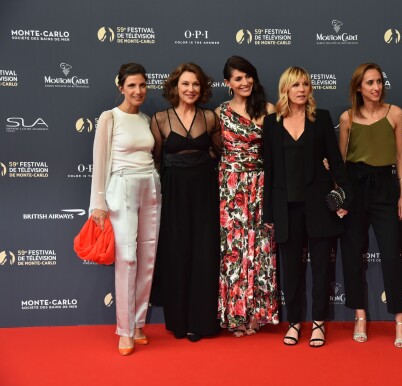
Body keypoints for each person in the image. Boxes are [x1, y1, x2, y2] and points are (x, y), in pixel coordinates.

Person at [262, 66, 352, 348]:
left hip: (319, 206)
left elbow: (336, 161)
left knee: (322, 269)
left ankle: (319, 323)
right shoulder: (271, 123)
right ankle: (294, 322)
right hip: (286, 208)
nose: (301, 89)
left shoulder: (321, 118)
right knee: (291, 271)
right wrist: (269, 212)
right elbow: (270, 171)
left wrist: (345, 196)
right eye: (295, 85)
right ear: (285, 89)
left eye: (305, 84)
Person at [89, 63, 161, 356]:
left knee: (147, 257)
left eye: (142, 85)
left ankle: (139, 323)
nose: (138, 91)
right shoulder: (110, 118)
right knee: (127, 258)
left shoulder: (145, 120)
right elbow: (100, 160)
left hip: (150, 187)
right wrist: (98, 203)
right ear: (121, 87)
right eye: (131, 85)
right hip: (121, 189)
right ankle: (124, 329)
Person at [337, 63, 402, 347]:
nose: (376, 87)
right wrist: (341, 197)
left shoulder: (395, 113)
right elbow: (341, 163)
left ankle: (400, 320)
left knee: (391, 255)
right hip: (355, 190)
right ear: (358, 87)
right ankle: (359, 315)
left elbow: (401, 156)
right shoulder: (347, 119)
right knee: (353, 255)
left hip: (385, 188)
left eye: (379, 81)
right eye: (369, 83)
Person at [150, 63, 222, 342]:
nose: (191, 89)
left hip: (204, 192)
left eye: (195, 84)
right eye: (185, 84)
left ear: (202, 88)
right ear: (175, 87)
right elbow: (157, 160)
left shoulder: (210, 118)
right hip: (174, 193)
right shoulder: (160, 119)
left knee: (203, 254)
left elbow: (220, 152)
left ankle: (200, 322)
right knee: (177, 253)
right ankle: (178, 322)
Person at [215, 56, 278, 337]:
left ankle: (256, 313)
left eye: (248, 76)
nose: (245, 82)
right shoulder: (220, 113)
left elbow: (276, 154)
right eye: (238, 78)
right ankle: (234, 314)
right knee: (234, 251)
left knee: (259, 247)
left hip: (260, 184)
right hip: (229, 187)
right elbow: (215, 151)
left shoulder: (268, 109)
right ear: (227, 83)